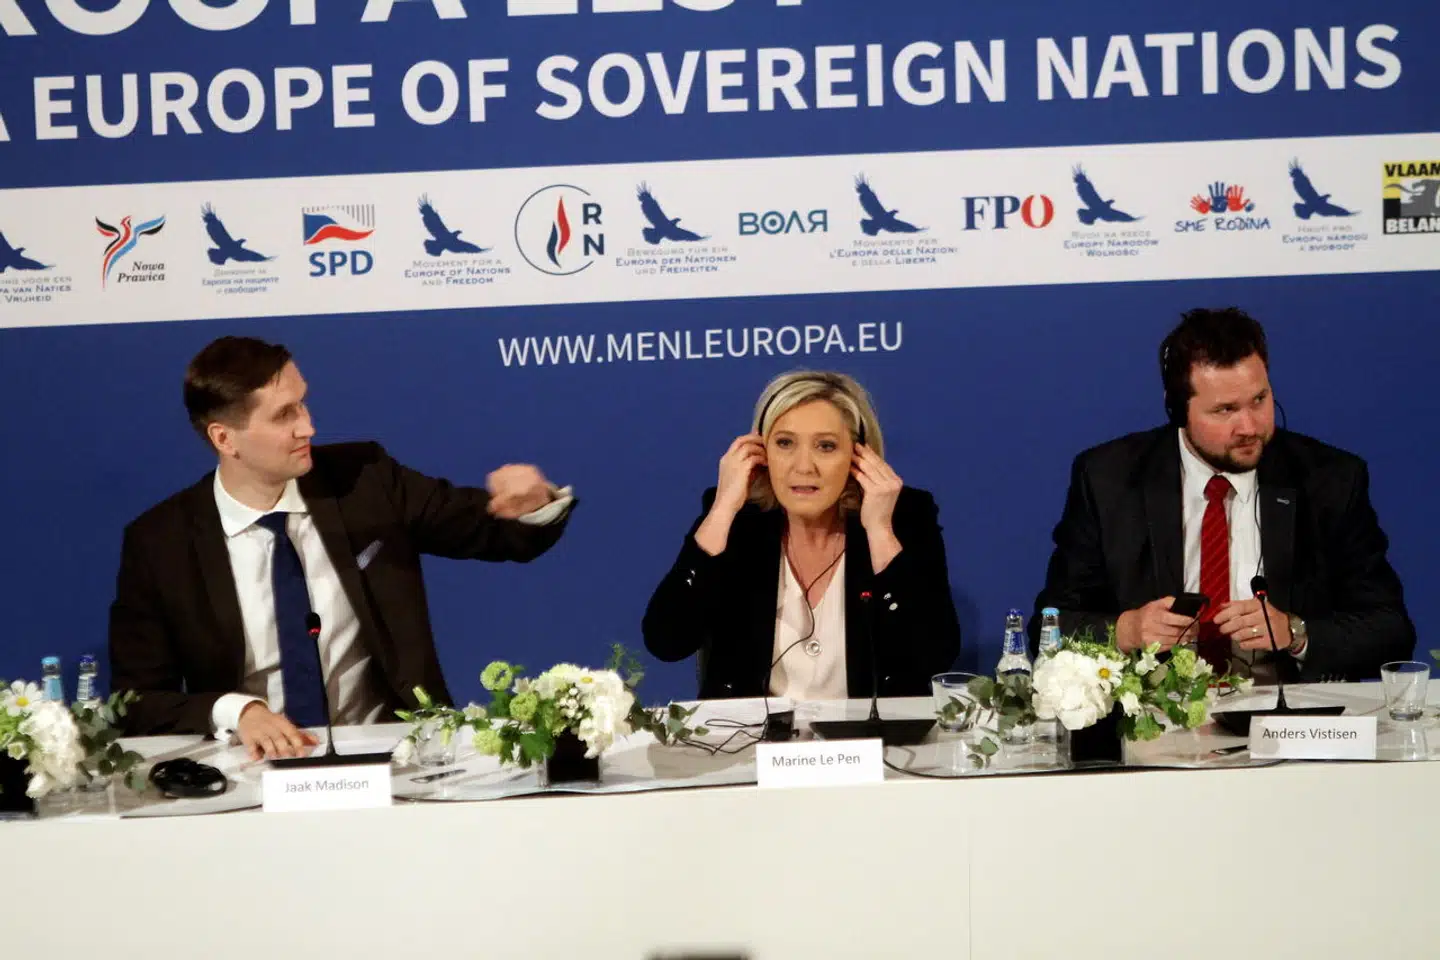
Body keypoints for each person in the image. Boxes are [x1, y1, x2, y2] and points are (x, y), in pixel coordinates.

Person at [109, 336, 576, 758]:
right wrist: (238, 711)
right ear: (224, 438)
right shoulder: (161, 544)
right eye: (284, 415)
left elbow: (491, 530)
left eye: (303, 404)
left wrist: (533, 503)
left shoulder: (365, 481)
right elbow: (137, 702)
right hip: (247, 772)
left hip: (391, 756)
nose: (308, 427)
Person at [1032, 307, 1413, 682]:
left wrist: (1295, 633)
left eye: (1259, 400)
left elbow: (1391, 630)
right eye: (1225, 410)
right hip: (1157, 711)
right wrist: (1126, 631)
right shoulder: (1109, 480)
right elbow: (1048, 628)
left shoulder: (1329, 480)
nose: (1249, 427)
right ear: (1178, 411)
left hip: (1285, 711)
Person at [643, 371, 961, 699]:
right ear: (760, 451)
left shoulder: (903, 516)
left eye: (826, 446)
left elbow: (934, 657)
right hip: (747, 732)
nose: (804, 466)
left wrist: (879, 531)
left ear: (858, 457)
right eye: (785, 443)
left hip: (873, 733)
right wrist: (723, 509)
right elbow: (667, 642)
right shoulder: (739, 521)